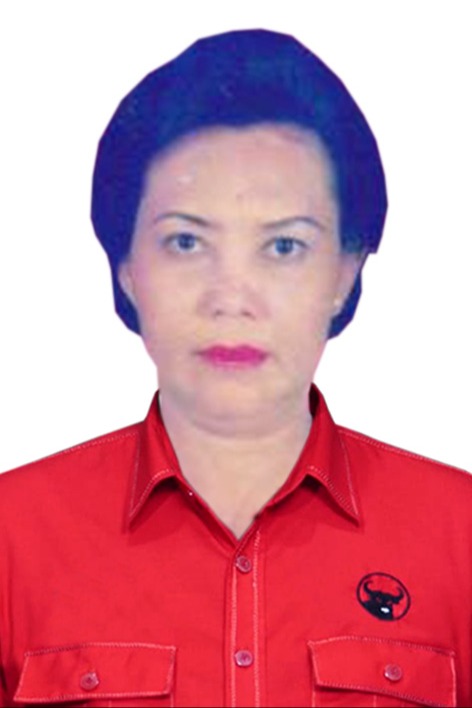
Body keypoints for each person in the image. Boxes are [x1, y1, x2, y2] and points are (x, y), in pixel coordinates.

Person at [0, 28, 470, 708]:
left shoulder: (459, 533)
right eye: (186, 241)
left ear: (346, 270)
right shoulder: (14, 536)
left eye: (283, 247)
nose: (231, 298)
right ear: (126, 266)